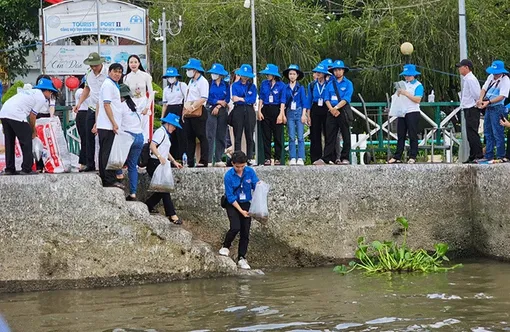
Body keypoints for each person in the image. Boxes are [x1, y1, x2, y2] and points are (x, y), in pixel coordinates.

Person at [0, 78, 58, 175]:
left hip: (4, 113)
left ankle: (9, 168)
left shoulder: (31, 92)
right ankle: (27, 168)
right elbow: (32, 116)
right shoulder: (41, 98)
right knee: (26, 139)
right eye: (51, 93)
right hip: (16, 114)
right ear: (47, 90)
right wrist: (33, 131)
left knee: (9, 141)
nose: (50, 95)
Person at [218, 150, 260, 270]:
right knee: (235, 227)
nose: (240, 169)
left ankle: (242, 257)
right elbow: (230, 196)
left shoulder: (250, 172)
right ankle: (226, 246)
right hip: (233, 204)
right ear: (232, 164)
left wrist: (260, 185)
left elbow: (255, 184)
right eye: (237, 166)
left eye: (242, 166)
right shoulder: (228, 176)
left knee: (245, 232)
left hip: (246, 202)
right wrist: (241, 211)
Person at [73, 52, 109, 172]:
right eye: (92, 65)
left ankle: (105, 164)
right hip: (92, 107)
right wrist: (79, 103)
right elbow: (87, 89)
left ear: (101, 63)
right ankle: (90, 163)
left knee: (104, 136)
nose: (94, 68)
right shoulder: (89, 74)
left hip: (106, 107)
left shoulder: (108, 72)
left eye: (96, 65)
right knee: (88, 136)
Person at [145, 113, 183, 224]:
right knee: (164, 189)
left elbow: (166, 150)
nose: (174, 128)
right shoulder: (160, 132)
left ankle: (148, 204)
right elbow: (152, 146)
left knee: (162, 189)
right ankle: (172, 214)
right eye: (174, 126)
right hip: (155, 163)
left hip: (162, 163)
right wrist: (160, 157)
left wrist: (174, 161)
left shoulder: (165, 134)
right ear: (168, 124)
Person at [314, 60, 354, 165]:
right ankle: (326, 157)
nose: (337, 72)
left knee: (346, 134)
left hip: (342, 109)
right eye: (335, 70)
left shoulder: (348, 83)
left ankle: (345, 157)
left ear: (343, 71)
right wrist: (331, 109)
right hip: (331, 110)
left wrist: (336, 108)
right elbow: (326, 98)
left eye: (340, 70)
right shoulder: (330, 84)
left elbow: (346, 98)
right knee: (330, 135)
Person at [387, 64, 424, 164]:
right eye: (405, 75)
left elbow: (417, 99)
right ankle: (397, 155)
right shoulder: (404, 84)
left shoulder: (418, 85)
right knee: (401, 134)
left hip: (413, 111)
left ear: (413, 75)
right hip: (402, 112)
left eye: (408, 75)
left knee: (412, 134)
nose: (407, 77)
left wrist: (406, 94)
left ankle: (413, 155)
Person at [96, 63, 124, 188]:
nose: (118, 74)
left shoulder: (113, 85)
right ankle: (109, 179)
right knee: (107, 153)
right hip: (108, 125)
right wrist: (113, 123)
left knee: (105, 152)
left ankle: (106, 177)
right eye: (115, 71)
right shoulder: (108, 85)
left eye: (120, 72)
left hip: (107, 124)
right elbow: (106, 105)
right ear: (109, 72)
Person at [476, 60, 510, 163]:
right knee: (488, 132)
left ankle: (500, 155)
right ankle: (488, 155)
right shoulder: (490, 77)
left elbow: (502, 96)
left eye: (497, 72)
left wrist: (489, 102)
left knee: (497, 132)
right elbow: (484, 89)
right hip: (489, 107)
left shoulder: (505, 80)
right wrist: (481, 99)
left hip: (498, 107)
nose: (495, 74)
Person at [115, 84, 144, 201]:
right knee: (132, 166)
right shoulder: (134, 106)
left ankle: (119, 174)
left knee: (117, 158)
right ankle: (133, 194)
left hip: (128, 136)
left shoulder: (120, 106)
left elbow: (116, 124)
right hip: (139, 137)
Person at [182, 58, 209, 167]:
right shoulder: (191, 81)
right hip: (189, 111)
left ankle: (203, 160)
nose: (188, 71)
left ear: (196, 70)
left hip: (198, 111)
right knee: (189, 137)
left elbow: (203, 98)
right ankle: (190, 161)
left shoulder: (203, 81)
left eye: (190, 69)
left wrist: (193, 106)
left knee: (201, 136)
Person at [258, 64, 286, 166]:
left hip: (276, 109)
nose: (267, 76)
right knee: (266, 135)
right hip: (266, 108)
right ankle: (267, 158)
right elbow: (261, 97)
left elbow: (283, 100)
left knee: (277, 135)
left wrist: (281, 113)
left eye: (269, 74)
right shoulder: (264, 84)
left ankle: (278, 157)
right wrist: (259, 111)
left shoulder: (281, 85)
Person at [456, 59, 483, 163]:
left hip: (472, 108)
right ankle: (473, 154)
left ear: (466, 67)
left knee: (472, 133)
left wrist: (476, 103)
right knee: (469, 133)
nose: (459, 69)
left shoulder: (471, 79)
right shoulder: (467, 79)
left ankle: (478, 154)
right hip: (468, 108)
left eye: (460, 67)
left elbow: (476, 94)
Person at [123, 55, 154, 143]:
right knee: (133, 128)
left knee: (144, 130)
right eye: (131, 62)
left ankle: (144, 152)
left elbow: (151, 93)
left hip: (144, 102)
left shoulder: (146, 76)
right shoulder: (126, 78)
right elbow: (126, 95)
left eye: (135, 62)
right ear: (128, 64)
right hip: (133, 105)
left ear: (139, 63)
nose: (133, 64)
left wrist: (147, 107)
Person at [231, 64, 258, 165]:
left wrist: (241, 98)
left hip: (249, 110)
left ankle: (250, 157)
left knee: (249, 134)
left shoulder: (252, 86)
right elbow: (234, 98)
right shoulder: (235, 85)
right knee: (237, 134)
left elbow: (252, 99)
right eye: (243, 75)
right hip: (238, 109)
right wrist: (243, 99)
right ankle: (237, 157)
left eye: (246, 75)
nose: (244, 77)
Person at [206, 63, 230, 167]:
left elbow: (227, 99)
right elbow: (208, 97)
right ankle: (209, 159)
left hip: (222, 110)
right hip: (210, 109)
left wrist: (219, 105)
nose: (213, 75)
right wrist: (217, 102)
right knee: (210, 135)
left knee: (221, 134)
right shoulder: (209, 83)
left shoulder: (226, 84)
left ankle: (219, 158)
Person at [283, 64, 307, 166]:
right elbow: (283, 101)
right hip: (289, 112)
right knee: (291, 136)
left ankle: (301, 157)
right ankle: (292, 157)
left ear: (297, 75)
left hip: (299, 111)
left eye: (294, 74)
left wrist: (304, 115)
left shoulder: (301, 88)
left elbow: (304, 102)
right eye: (290, 74)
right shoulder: (286, 88)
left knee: (300, 136)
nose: (292, 76)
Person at [306, 63, 330, 163]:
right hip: (315, 107)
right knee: (315, 133)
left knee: (328, 133)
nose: (318, 74)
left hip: (326, 106)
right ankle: (315, 157)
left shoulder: (329, 84)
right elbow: (309, 100)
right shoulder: (312, 85)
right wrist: (308, 115)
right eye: (317, 72)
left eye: (320, 72)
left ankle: (328, 157)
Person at [74, 78, 91, 169]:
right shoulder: (79, 91)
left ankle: (89, 161)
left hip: (90, 113)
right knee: (85, 139)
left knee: (89, 140)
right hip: (83, 114)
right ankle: (83, 162)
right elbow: (86, 94)